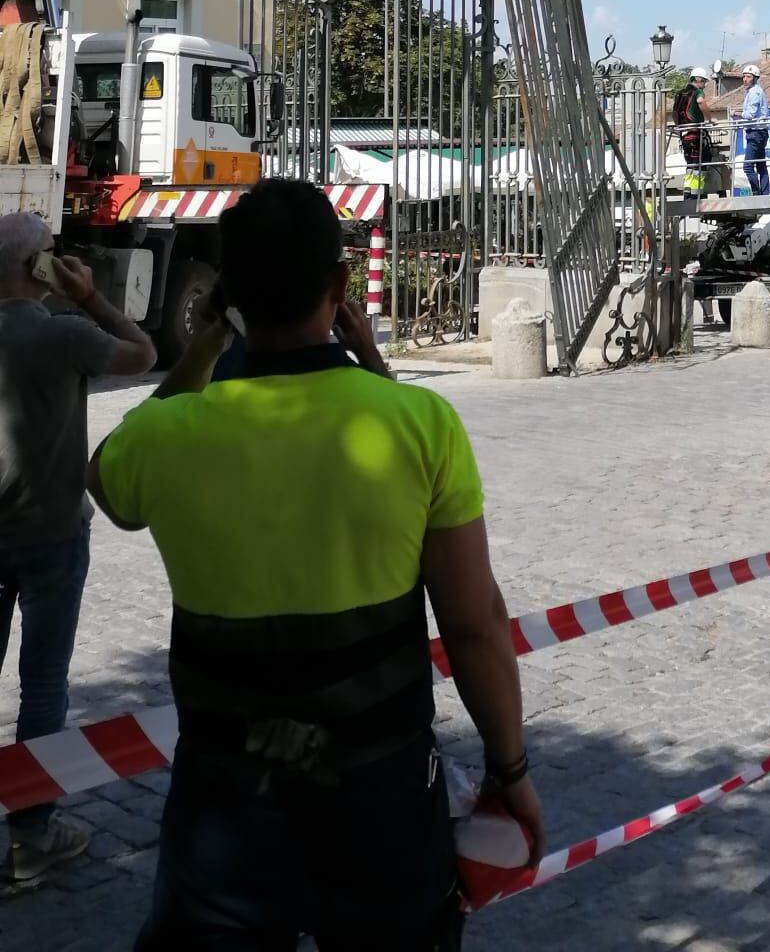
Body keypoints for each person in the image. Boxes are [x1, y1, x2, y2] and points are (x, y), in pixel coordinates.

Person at [87, 179, 544, 949]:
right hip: (381, 788)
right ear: (338, 285)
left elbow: (108, 481)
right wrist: (511, 769)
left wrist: (202, 344)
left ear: (229, 293)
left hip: (226, 797)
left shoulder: (167, 436)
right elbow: (474, 626)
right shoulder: (420, 424)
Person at [0, 212, 156, 884]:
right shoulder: (62, 334)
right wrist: (89, 295)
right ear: (39, 266)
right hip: (53, 533)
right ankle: (32, 837)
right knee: (43, 685)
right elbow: (145, 355)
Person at [673, 68, 710, 194]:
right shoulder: (697, 92)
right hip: (696, 134)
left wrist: (679, 126)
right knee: (701, 164)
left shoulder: (680, 93)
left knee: (690, 165)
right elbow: (701, 101)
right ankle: (695, 197)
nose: (704, 85)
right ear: (698, 80)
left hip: (685, 136)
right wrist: (710, 119)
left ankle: (688, 195)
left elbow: (674, 113)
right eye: (704, 81)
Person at [738, 63, 770, 198]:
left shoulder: (755, 92)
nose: (745, 79)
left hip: (756, 132)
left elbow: (750, 114)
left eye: (748, 77)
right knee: (761, 165)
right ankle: (764, 193)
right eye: (744, 76)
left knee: (748, 166)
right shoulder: (752, 92)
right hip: (758, 132)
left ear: (755, 78)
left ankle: (757, 194)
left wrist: (738, 114)